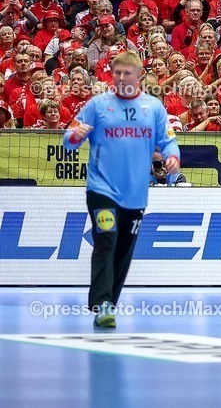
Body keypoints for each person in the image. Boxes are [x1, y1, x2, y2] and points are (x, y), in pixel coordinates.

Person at [62, 51, 181, 328]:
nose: (120, 77)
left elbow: (169, 141)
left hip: (136, 193)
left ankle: (109, 304)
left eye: (127, 73)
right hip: (101, 187)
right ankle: (102, 302)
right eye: (116, 72)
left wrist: (173, 156)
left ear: (139, 76)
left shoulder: (153, 108)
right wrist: (75, 136)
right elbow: (68, 138)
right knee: (106, 238)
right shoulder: (97, 105)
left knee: (125, 248)